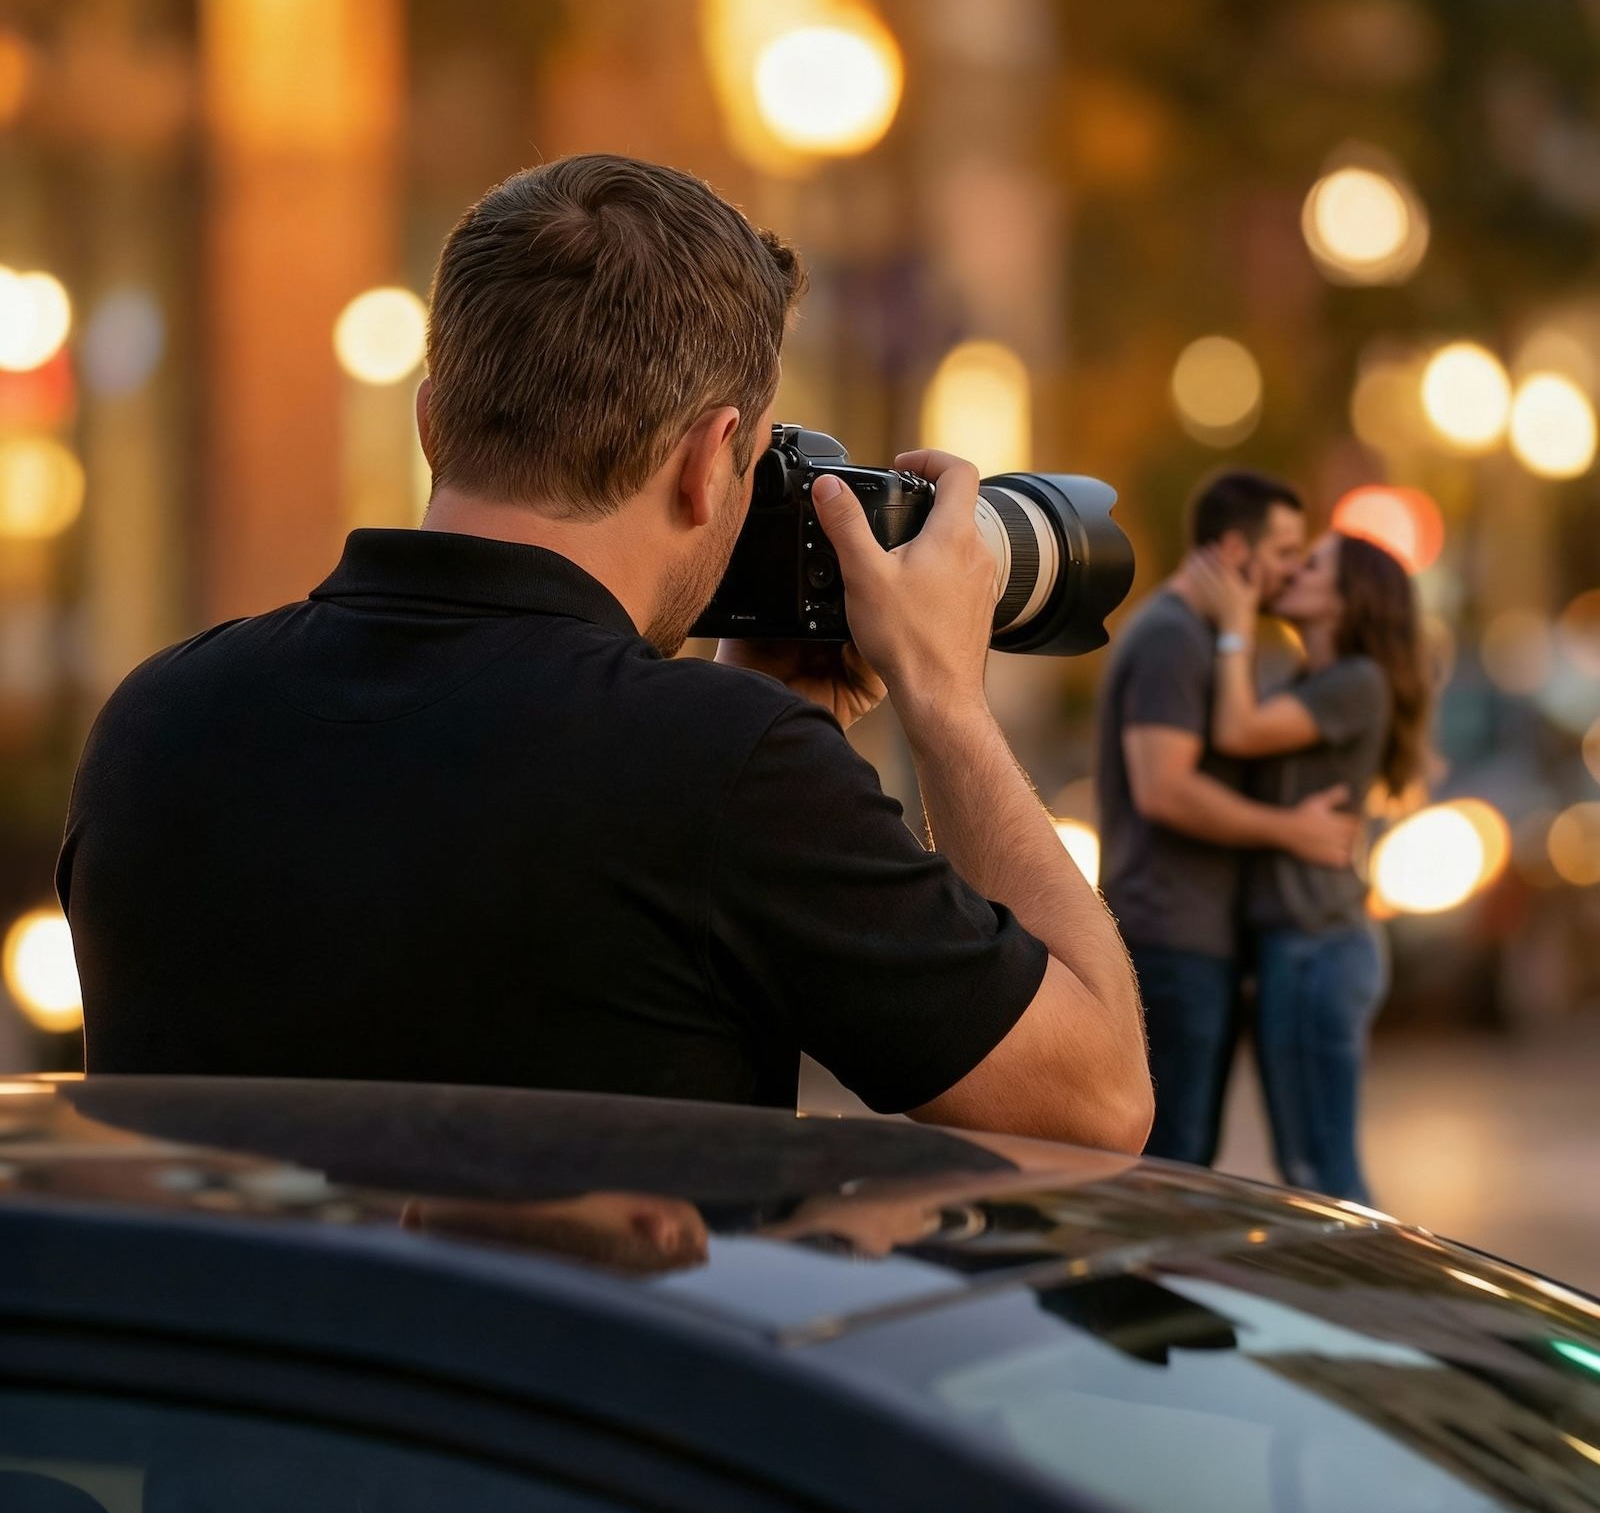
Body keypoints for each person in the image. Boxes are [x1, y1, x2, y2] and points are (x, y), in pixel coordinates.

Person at [57, 153, 1152, 1153]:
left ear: (433, 421)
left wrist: (757, 725)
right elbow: (1094, 1102)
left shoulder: (161, 720)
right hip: (568, 1375)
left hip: (203, 1370)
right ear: (709, 457)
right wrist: (942, 695)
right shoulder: (726, 777)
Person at [1094, 472, 1357, 1167]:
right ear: (1236, 550)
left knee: (1185, 1162)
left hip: (1198, 939)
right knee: (1169, 1170)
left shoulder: (1210, 638)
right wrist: (1290, 829)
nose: (1296, 569)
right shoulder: (1173, 637)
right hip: (1169, 938)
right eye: (1286, 551)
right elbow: (1165, 790)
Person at [1186, 530, 1430, 1203]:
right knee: (1306, 1173)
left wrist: (1235, 626)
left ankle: (1378, 1306)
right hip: (1296, 946)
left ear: (1348, 599)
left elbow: (1237, 731)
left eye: (1311, 564)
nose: (1292, 571)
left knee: (1325, 1177)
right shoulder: (1313, 682)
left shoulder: (1357, 682)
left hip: (1319, 946)